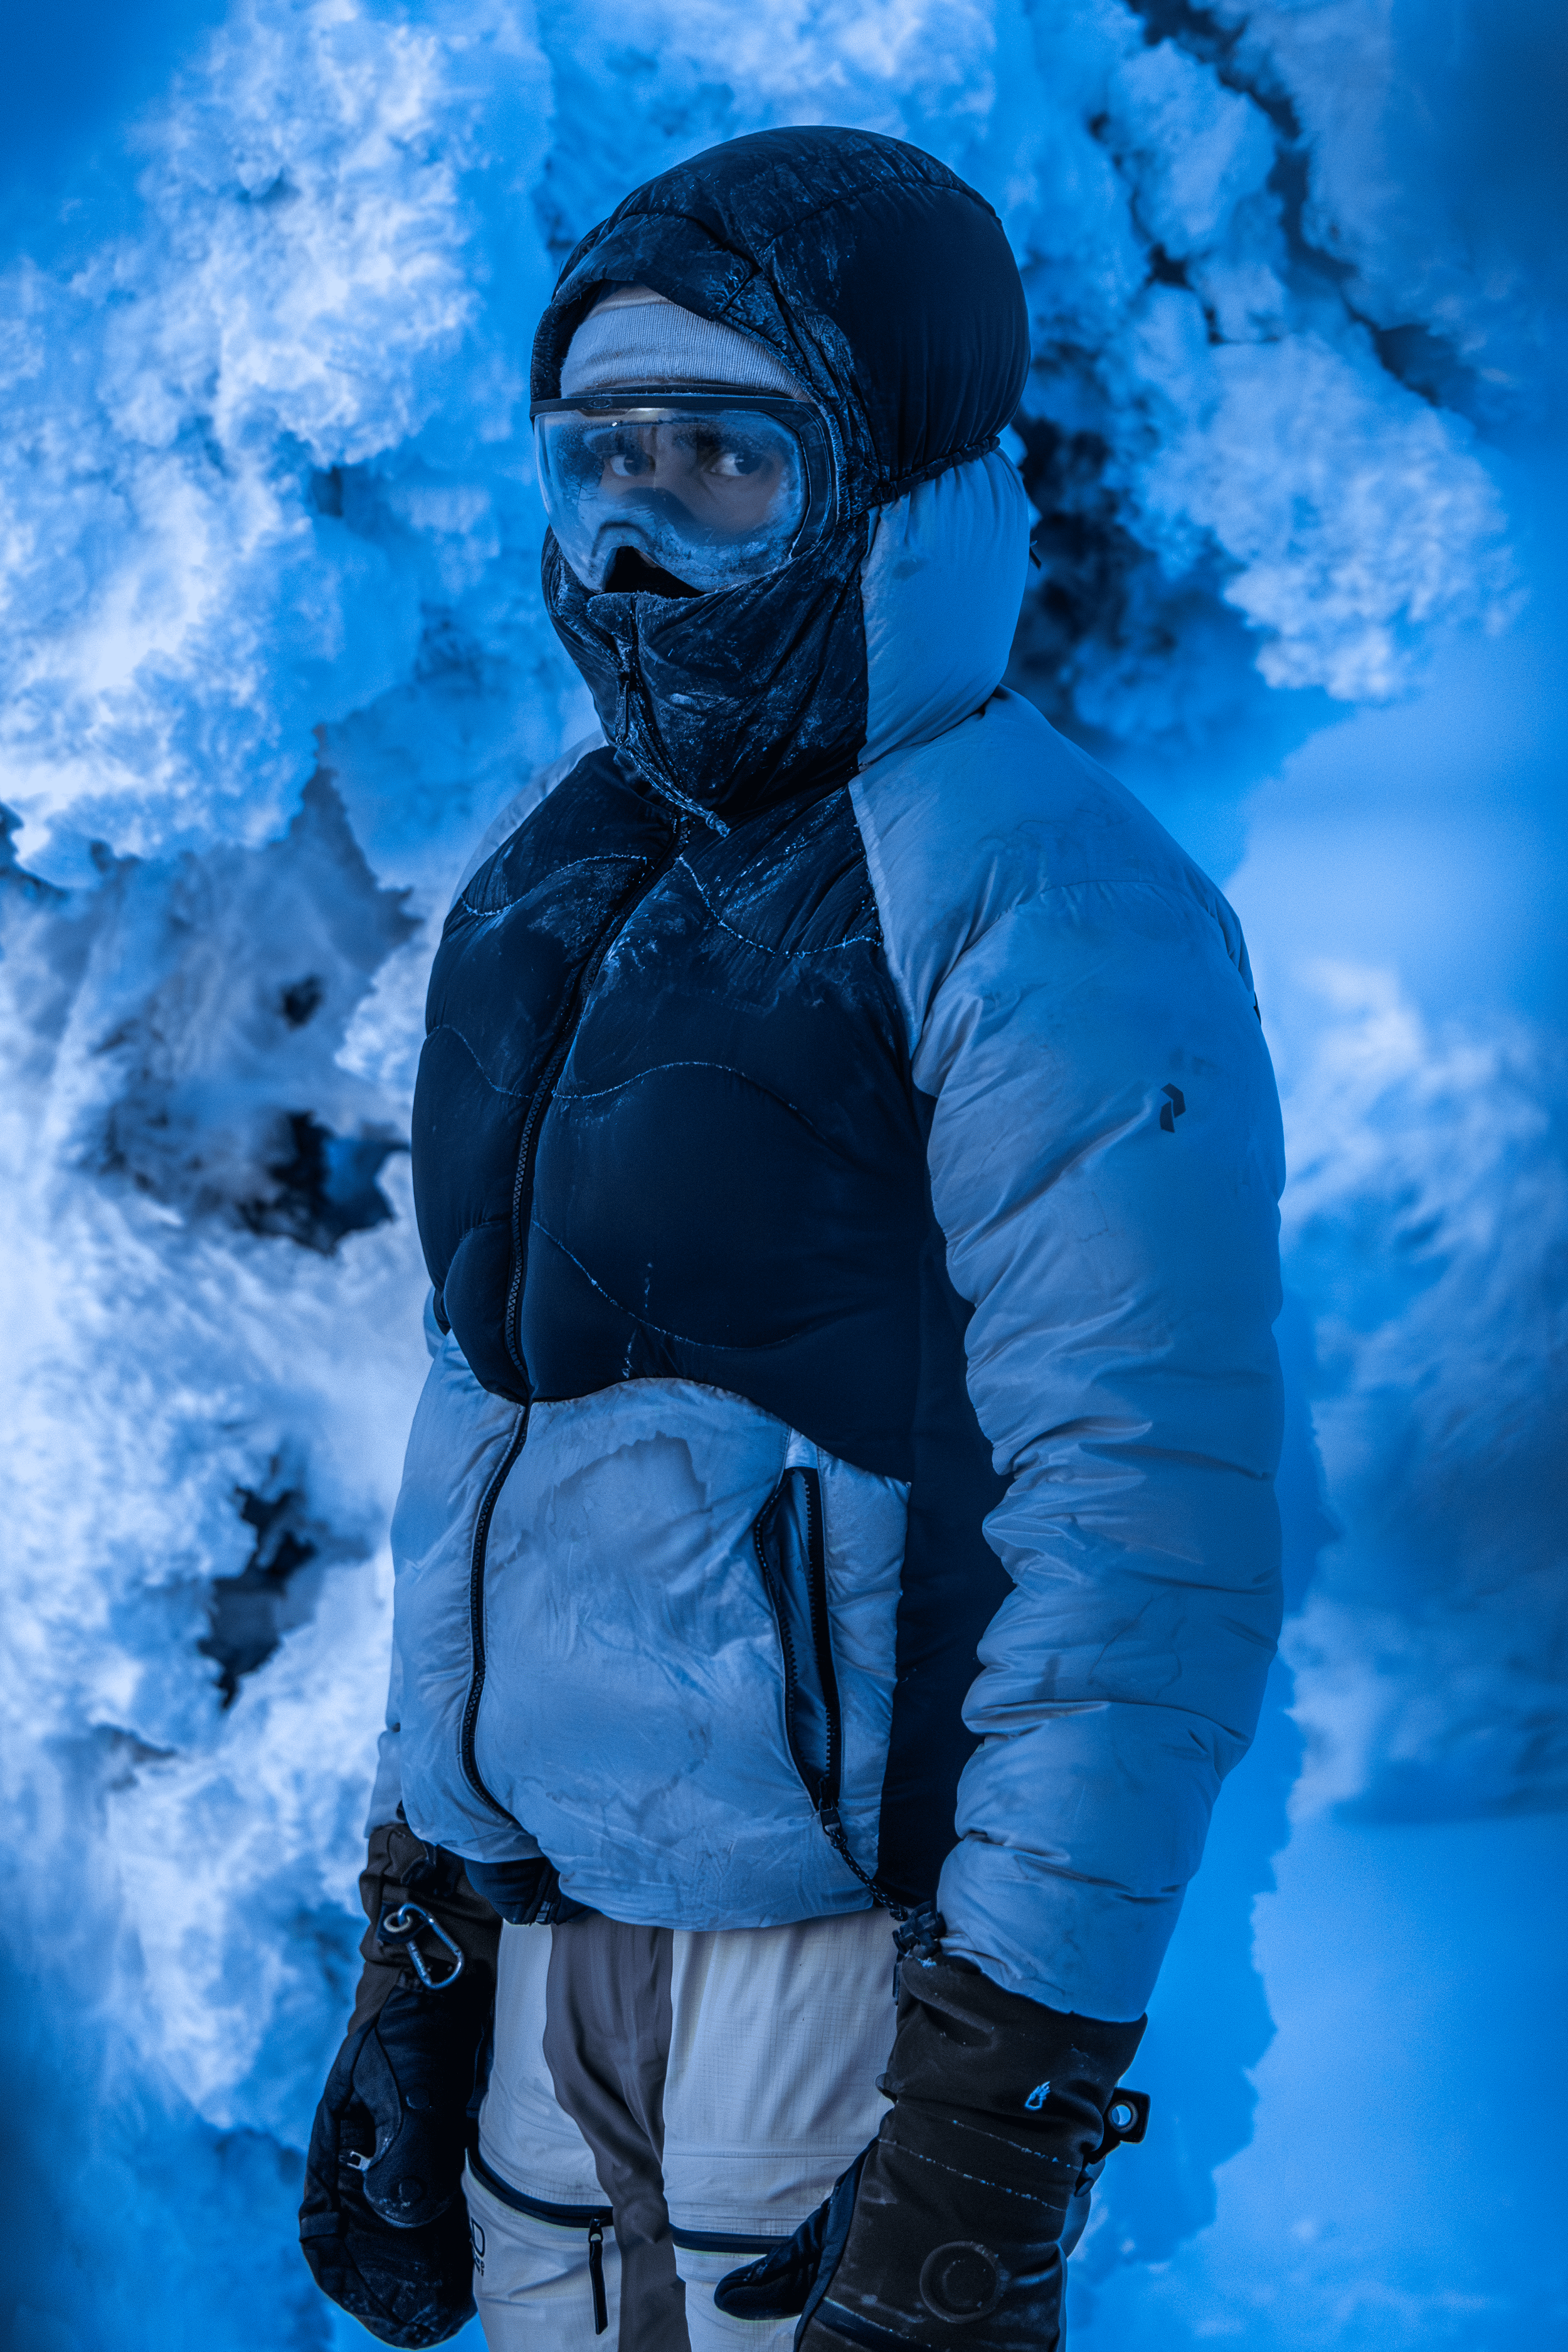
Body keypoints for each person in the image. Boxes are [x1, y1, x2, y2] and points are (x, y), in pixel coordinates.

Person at [299, 124, 1285, 2352]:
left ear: (889, 485)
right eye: (596, 470)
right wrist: (416, 1934)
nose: (637, 552)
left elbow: (1147, 1525)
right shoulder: (555, 877)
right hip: (552, 1975)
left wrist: (1000, 2100)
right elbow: (479, 1429)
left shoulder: (1044, 899)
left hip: (862, 1996)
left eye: (722, 468)